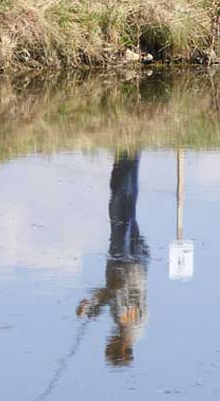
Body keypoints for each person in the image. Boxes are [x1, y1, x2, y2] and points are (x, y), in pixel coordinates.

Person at [76, 151, 149, 366]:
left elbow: (113, 294)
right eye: (111, 344)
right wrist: (94, 304)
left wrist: (93, 307)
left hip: (129, 261)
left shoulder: (127, 325)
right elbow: (117, 289)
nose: (108, 340)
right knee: (121, 209)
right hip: (127, 262)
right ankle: (129, 157)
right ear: (123, 348)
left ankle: (128, 158)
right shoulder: (131, 325)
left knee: (123, 209)